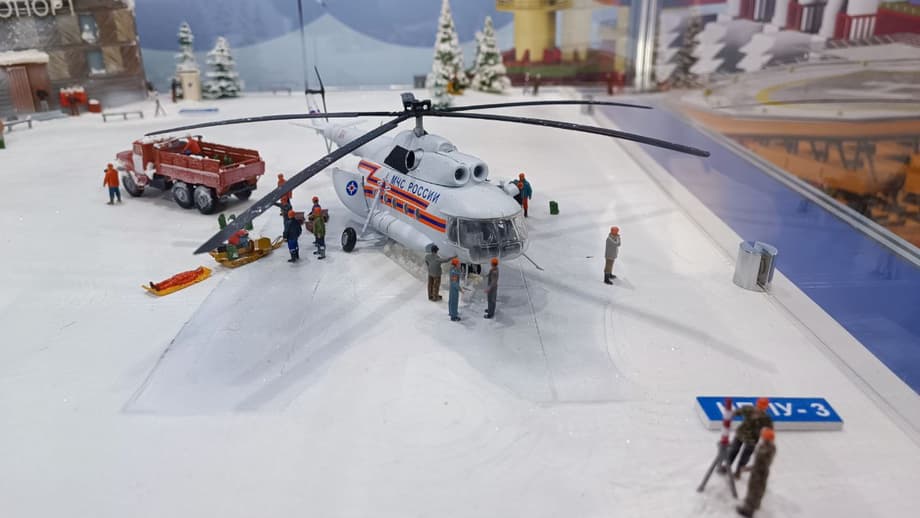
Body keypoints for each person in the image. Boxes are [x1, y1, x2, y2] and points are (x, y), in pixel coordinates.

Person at [722, 398, 774, 479]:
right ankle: (727, 466)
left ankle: (738, 472)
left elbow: (770, 430)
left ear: (765, 408)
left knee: (745, 456)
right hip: (741, 434)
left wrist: (767, 439)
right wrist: (730, 415)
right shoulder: (748, 409)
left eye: (762, 408)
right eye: (759, 407)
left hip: (752, 439)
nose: (759, 410)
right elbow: (737, 412)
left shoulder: (766, 418)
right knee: (733, 450)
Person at [737, 427, 776, 517]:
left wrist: (748, 469)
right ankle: (755, 504)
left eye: (764, 437)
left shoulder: (765, 449)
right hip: (762, 471)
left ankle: (748, 510)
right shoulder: (771, 447)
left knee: (754, 489)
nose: (762, 438)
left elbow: (759, 464)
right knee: (759, 489)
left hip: (758, 472)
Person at [448, 257, 462, 322]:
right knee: (454, 302)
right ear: (456, 264)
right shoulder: (455, 272)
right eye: (458, 263)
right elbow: (454, 282)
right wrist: (460, 289)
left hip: (451, 288)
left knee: (451, 301)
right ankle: (454, 317)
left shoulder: (452, 269)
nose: (459, 264)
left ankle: (451, 312)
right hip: (454, 289)